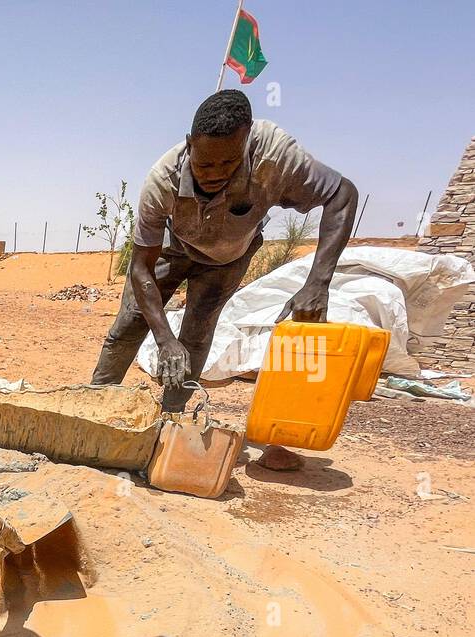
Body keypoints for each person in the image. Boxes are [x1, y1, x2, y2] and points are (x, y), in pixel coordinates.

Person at [91, 89, 358, 471]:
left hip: (228, 258)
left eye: (228, 163)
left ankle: (170, 426)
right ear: (189, 146)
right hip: (171, 250)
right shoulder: (162, 179)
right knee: (127, 327)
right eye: (205, 165)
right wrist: (164, 339)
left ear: (247, 141)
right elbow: (139, 270)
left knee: (197, 336)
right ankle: (93, 409)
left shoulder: (274, 155)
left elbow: (342, 195)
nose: (215, 174)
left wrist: (317, 282)